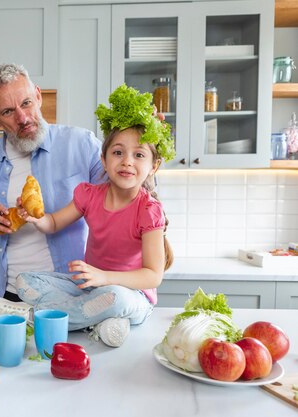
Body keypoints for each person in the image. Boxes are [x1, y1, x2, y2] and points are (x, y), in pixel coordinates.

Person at [9, 84, 176, 348]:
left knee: (115, 298)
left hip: (132, 296)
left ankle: (30, 317)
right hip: (90, 288)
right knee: (25, 282)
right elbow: (53, 223)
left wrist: (104, 277)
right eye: (118, 152)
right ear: (104, 158)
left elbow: (153, 276)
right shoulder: (90, 195)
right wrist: (35, 218)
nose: (127, 161)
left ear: (153, 165)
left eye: (139, 154)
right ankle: (98, 319)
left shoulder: (148, 210)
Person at [0, 63, 105, 304]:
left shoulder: (81, 144)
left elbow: (120, 200)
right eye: (8, 111)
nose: (22, 118)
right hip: (3, 293)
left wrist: (142, 146)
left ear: (38, 96)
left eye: (26, 103)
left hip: (70, 292)